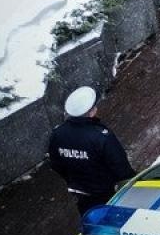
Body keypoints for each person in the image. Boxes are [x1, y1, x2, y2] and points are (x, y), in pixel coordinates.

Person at [47, 86, 135, 218]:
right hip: (107, 193)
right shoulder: (101, 136)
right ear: (92, 112)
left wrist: (75, 179)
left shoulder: (57, 134)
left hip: (81, 194)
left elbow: (56, 164)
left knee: (92, 222)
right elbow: (121, 169)